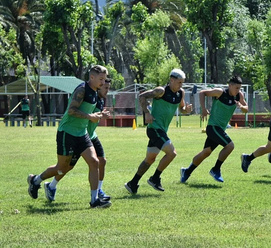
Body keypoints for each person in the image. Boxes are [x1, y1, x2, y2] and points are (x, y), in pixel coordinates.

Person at [27, 65, 111, 208]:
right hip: (67, 132)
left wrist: (99, 115)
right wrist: (90, 116)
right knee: (62, 167)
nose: (104, 82)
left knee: (94, 162)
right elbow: (72, 110)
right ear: (92, 77)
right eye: (101, 79)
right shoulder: (82, 90)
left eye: (104, 79)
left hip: (82, 133)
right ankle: (36, 180)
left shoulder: (96, 92)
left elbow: (88, 113)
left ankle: (94, 200)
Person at [43, 78, 112, 202]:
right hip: (80, 135)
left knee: (101, 161)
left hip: (91, 136)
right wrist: (97, 116)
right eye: (105, 87)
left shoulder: (99, 99)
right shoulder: (90, 96)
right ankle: (50, 185)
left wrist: (102, 115)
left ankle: (98, 191)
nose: (107, 90)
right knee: (66, 167)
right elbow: (79, 113)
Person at [125, 69, 192, 194]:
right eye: (179, 82)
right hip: (154, 129)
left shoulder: (180, 93)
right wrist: (147, 113)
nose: (181, 85)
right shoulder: (161, 91)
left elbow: (181, 108)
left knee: (149, 159)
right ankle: (155, 178)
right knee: (172, 153)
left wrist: (186, 110)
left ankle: (132, 183)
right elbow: (142, 96)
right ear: (171, 80)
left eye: (182, 83)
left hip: (162, 130)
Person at [180, 76, 248, 183]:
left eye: (239, 88)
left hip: (220, 129)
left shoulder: (239, 96)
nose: (238, 90)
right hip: (213, 127)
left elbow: (246, 109)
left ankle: (187, 171)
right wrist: (203, 109)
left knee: (206, 152)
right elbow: (202, 93)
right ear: (230, 85)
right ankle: (216, 169)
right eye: (236, 88)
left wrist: (241, 106)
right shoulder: (220, 92)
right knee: (230, 146)